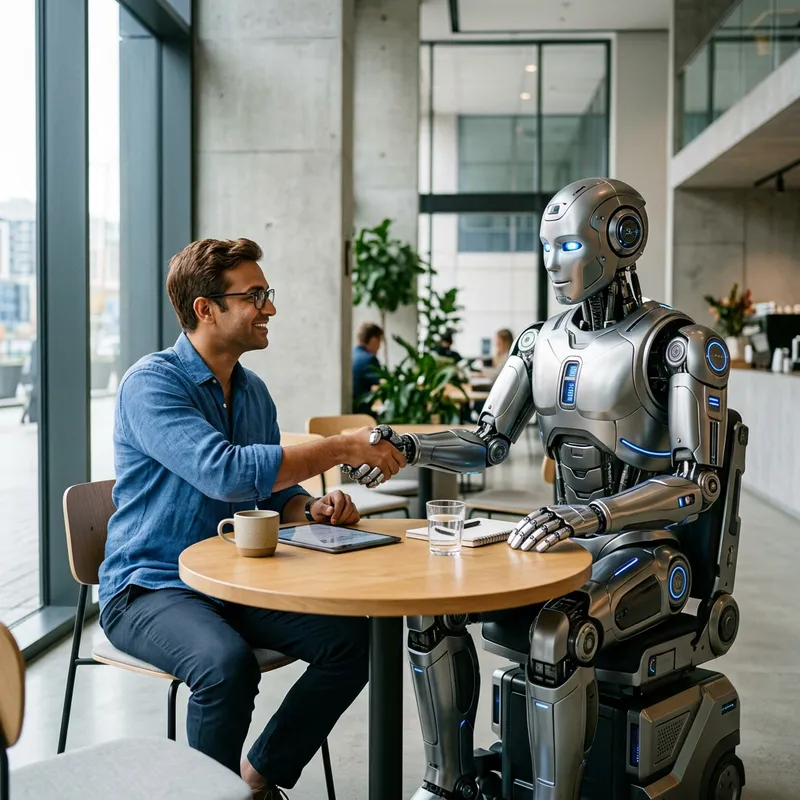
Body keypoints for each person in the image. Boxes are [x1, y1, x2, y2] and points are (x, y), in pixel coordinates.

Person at [98, 238, 405, 799]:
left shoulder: (253, 393)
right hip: (149, 586)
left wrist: (309, 508)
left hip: (234, 584)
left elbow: (272, 494)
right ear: (205, 309)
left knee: (353, 644)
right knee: (225, 667)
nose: (270, 307)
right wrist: (339, 448)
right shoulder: (152, 383)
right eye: (255, 295)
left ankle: (254, 780)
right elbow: (225, 473)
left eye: (268, 293)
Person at [352, 321, 383, 414]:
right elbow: (384, 384)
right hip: (362, 414)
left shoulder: (349, 356)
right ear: (373, 340)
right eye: (379, 341)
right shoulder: (369, 360)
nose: (379, 346)